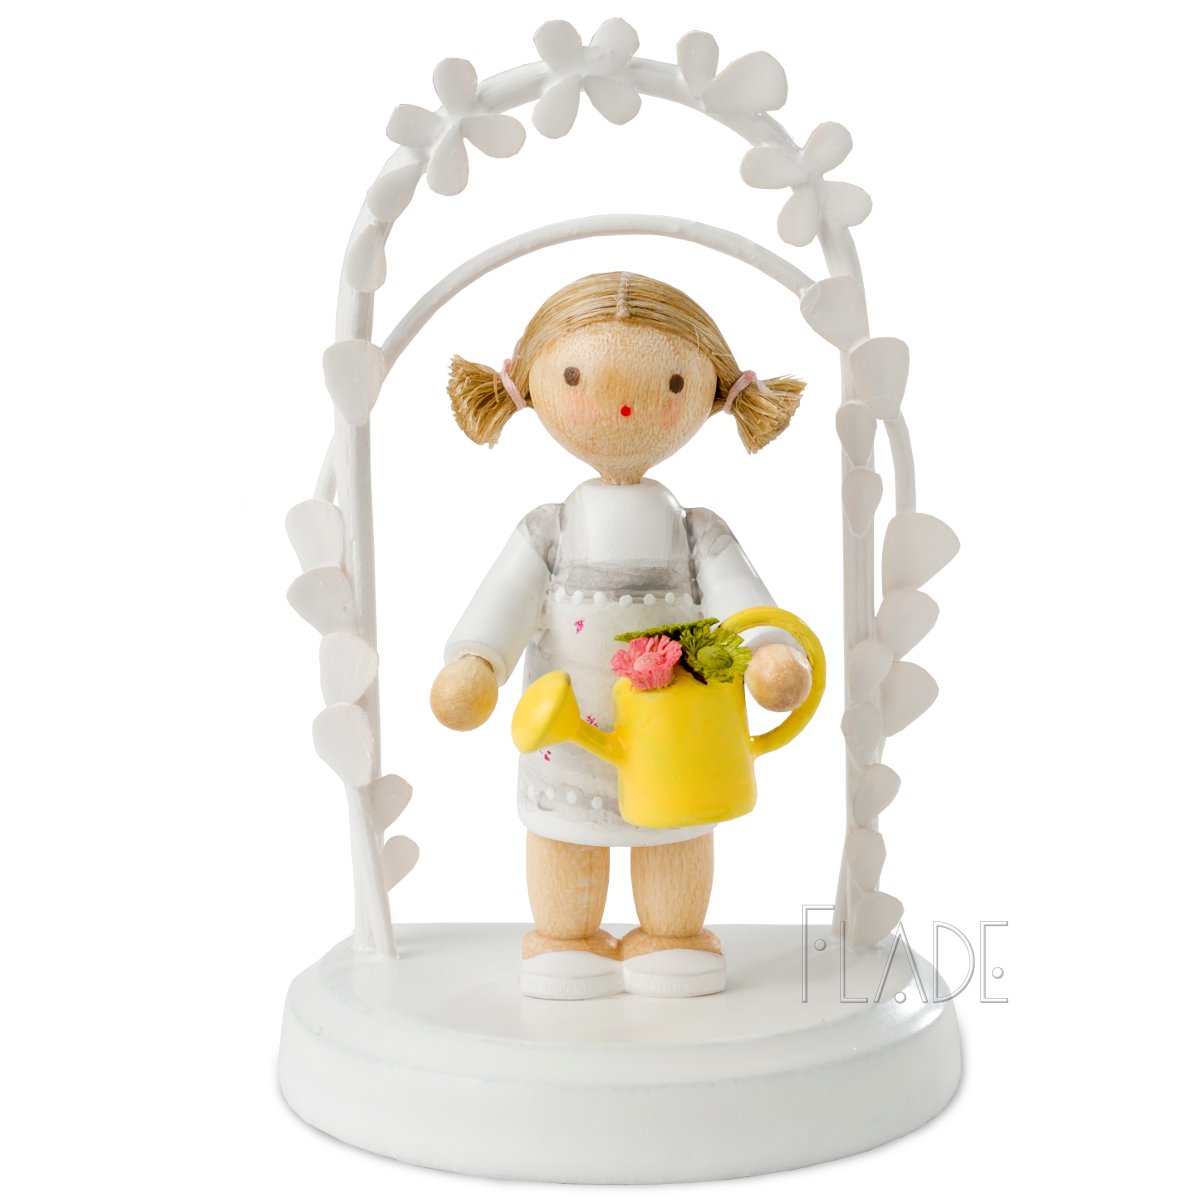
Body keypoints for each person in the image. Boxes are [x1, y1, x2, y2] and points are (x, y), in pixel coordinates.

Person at [430, 271, 812, 999]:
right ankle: (566, 938)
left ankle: (673, 935)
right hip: (567, 731)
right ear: (534, 384)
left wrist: (769, 652)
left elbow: (741, 599)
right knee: (564, 831)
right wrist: (477, 662)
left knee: (674, 832)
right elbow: (505, 599)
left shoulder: (695, 530)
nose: (627, 405)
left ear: (708, 391)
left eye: (672, 382)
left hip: (673, 735)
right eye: (577, 377)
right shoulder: (550, 530)